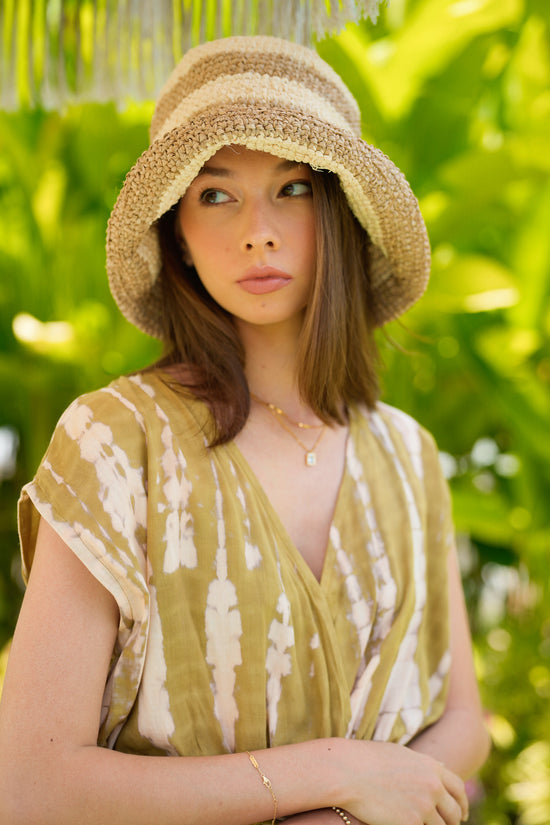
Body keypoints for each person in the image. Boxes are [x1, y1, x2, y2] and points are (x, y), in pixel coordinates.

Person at [0, 35, 489, 825]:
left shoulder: (408, 454)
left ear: (341, 213)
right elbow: (29, 788)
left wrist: (366, 803)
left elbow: (465, 719)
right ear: (179, 238)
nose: (257, 231)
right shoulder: (115, 442)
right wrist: (335, 772)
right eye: (216, 195)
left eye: (293, 188)